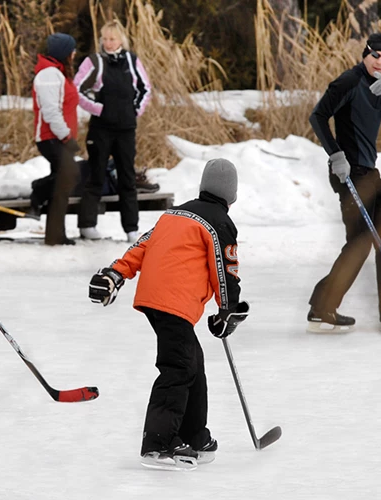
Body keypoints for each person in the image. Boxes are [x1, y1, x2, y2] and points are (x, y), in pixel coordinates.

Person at [88, 158, 249, 471]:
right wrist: (227, 309)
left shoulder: (175, 213)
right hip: (173, 302)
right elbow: (225, 269)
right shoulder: (219, 222)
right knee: (178, 367)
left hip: (155, 297)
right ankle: (159, 442)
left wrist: (116, 273)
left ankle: (195, 435)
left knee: (192, 362)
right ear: (232, 195)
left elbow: (141, 246)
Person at [306, 33, 381, 333]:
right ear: (365, 54)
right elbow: (318, 116)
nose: (380, 62)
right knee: (360, 241)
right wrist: (335, 154)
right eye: (375, 56)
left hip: (370, 174)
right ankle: (322, 308)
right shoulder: (348, 81)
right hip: (349, 173)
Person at [74, 20, 153, 242]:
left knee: (127, 178)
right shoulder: (94, 62)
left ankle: (131, 229)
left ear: (121, 40)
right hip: (101, 129)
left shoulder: (131, 60)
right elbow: (78, 89)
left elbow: (145, 88)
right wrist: (99, 109)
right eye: (105, 39)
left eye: (112, 39)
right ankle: (87, 225)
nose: (108, 43)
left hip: (126, 129)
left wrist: (134, 111)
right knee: (96, 175)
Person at [30, 32, 80, 246]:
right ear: (65, 53)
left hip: (58, 137)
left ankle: (55, 235)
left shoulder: (57, 72)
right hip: (52, 137)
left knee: (63, 184)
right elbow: (50, 112)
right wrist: (66, 136)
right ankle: (38, 190)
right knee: (69, 176)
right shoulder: (49, 74)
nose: (75, 54)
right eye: (72, 50)